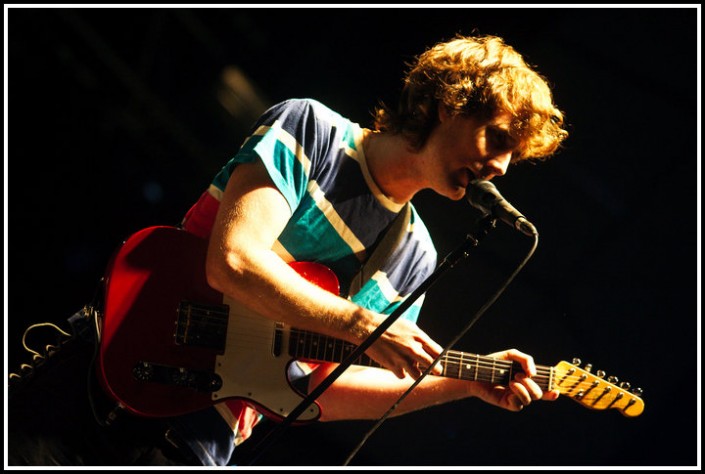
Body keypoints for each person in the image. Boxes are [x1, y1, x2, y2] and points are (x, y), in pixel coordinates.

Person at [7, 34, 568, 466]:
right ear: (450, 103)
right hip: (108, 374)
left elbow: (312, 387)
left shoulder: (413, 252)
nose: (500, 167)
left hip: (200, 440)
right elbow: (234, 261)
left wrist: (463, 382)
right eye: (497, 139)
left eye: (513, 157)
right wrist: (358, 323)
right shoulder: (313, 129)